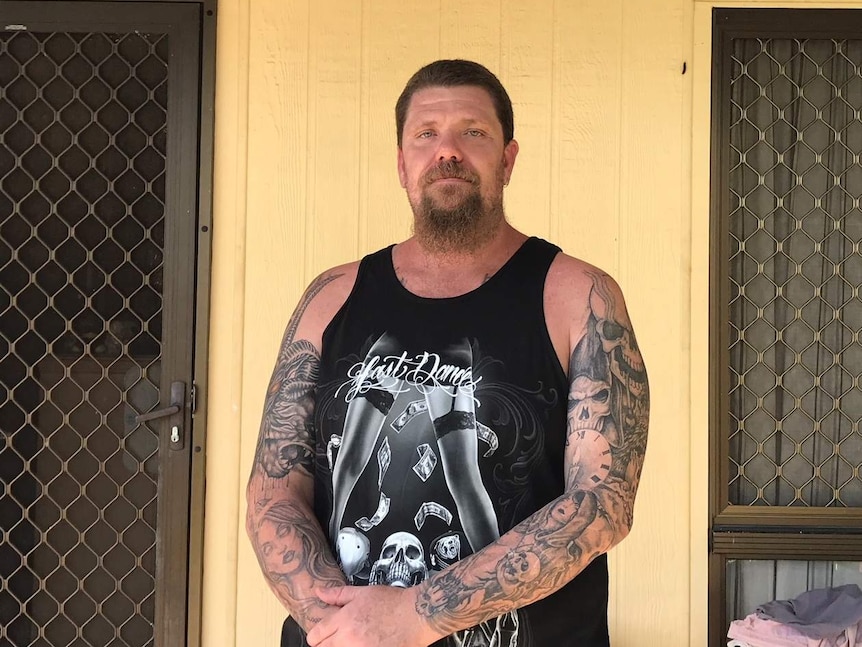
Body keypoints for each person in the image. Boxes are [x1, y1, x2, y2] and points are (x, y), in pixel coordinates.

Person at [246, 59, 649, 647]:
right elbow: (273, 489)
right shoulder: (331, 298)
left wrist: (415, 616)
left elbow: (602, 500)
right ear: (402, 163)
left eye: (473, 132)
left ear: (508, 160)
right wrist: (341, 624)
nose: (448, 151)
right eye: (426, 135)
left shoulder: (578, 297)